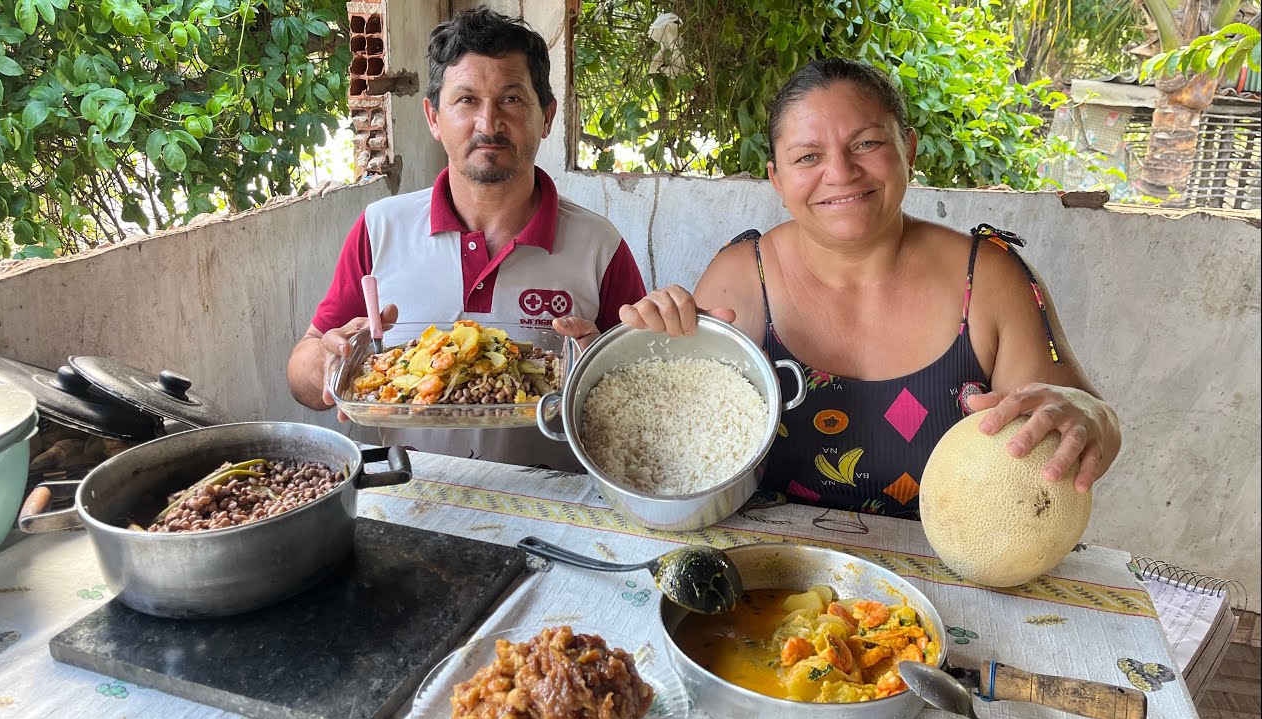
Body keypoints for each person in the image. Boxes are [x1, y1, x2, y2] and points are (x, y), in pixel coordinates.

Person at [608, 57, 1120, 519]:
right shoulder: (740, 278)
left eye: (867, 144)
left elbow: (1083, 426)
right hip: (767, 585)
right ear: (777, 180)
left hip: (946, 593)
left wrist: (1089, 418)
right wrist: (634, 355)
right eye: (808, 157)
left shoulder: (989, 280)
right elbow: (675, 453)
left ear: (909, 149)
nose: (841, 173)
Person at [287, 7, 647, 469]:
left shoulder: (599, 246)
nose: (488, 123)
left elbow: (635, 398)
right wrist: (328, 362)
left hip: (554, 511)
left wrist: (596, 370)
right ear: (433, 117)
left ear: (548, 117)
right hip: (410, 497)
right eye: (466, 100)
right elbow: (302, 372)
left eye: (512, 100)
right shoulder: (380, 228)